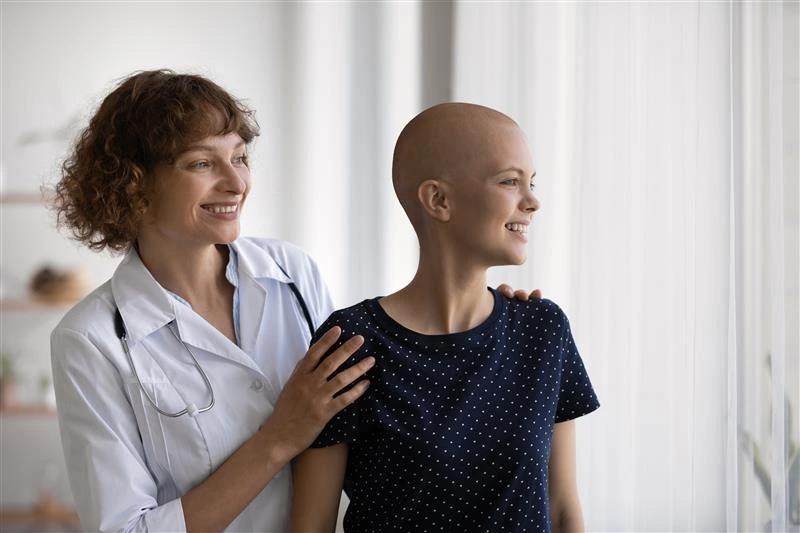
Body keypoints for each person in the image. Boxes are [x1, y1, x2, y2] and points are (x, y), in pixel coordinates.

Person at [49, 70, 540, 532]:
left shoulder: (291, 272)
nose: (236, 182)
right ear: (134, 182)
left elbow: (370, 403)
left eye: (240, 157)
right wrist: (279, 438)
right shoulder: (90, 339)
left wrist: (484, 321)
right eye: (202, 163)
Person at [290, 103, 600, 533]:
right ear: (438, 199)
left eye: (531, 183)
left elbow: (562, 506)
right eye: (509, 181)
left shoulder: (543, 331)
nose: (533, 202)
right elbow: (311, 526)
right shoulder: (352, 342)